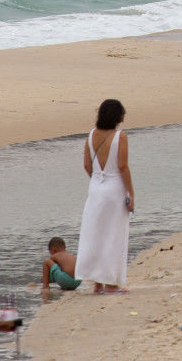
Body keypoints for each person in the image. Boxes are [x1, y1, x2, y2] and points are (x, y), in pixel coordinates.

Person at [75, 98, 133, 294]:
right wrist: (131, 193)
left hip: (95, 189)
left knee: (95, 234)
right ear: (117, 116)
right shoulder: (120, 136)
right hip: (114, 188)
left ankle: (97, 284)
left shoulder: (91, 135)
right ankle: (110, 284)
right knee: (113, 235)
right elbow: (123, 167)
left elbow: (86, 165)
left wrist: (98, 180)